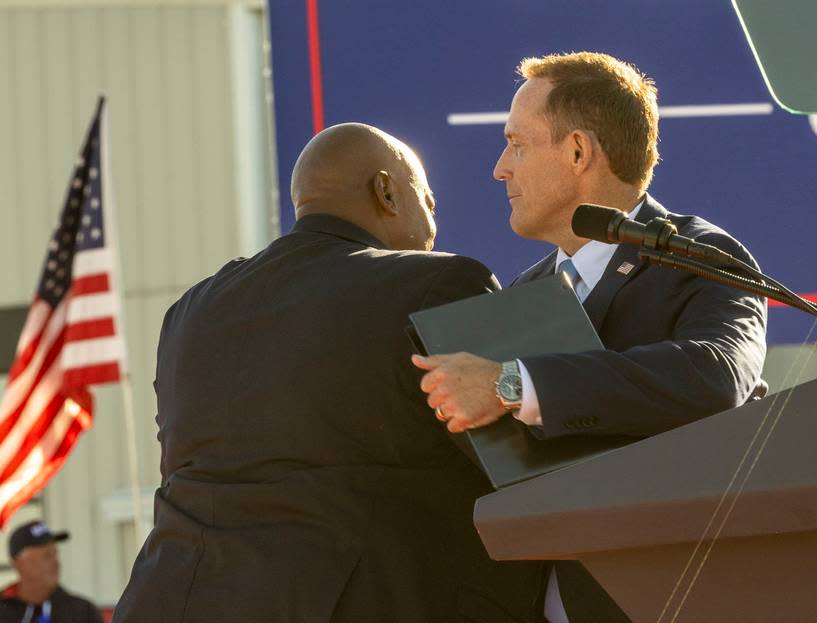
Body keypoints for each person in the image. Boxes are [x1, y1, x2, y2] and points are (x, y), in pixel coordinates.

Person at [113, 123, 542, 623]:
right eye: (428, 203)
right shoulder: (440, 283)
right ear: (386, 191)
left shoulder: (191, 311)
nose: (433, 228)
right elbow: (548, 462)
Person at [413, 52, 767, 623]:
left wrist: (511, 383)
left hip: (671, 597)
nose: (500, 168)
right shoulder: (525, 294)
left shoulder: (696, 255)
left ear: (578, 152)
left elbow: (717, 375)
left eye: (517, 143)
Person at [0, 521, 102, 623]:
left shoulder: (82, 612)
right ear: (19, 564)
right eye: (46, 556)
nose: (55, 563)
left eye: (55, 554)